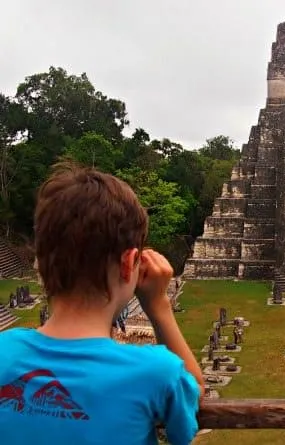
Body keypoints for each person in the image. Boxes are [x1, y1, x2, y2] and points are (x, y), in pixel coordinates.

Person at [0, 163, 204, 445]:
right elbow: (196, 394)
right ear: (129, 264)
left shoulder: (4, 352)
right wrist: (158, 305)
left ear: (41, 261)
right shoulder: (155, 372)